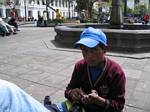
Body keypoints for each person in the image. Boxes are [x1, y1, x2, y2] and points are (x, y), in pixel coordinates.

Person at [64, 27, 126, 112]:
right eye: (84, 50)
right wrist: (72, 93)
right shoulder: (80, 66)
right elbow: (69, 89)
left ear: (104, 50)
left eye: (94, 50)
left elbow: (119, 106)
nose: (89, 56)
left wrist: (100, 101)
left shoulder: (116, 72)